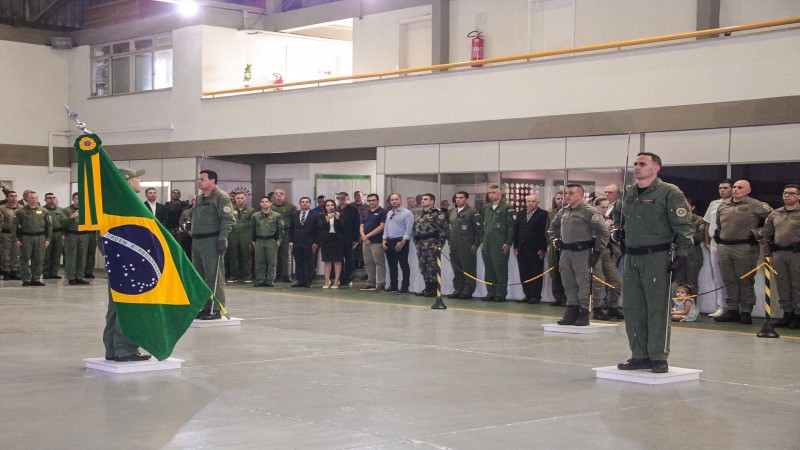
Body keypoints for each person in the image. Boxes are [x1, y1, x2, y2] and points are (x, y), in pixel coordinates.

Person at [616, 152, 693, 374]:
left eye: (642, 164)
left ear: (656, 168)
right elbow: (618, 217)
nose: (636, 167)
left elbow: (683, 225)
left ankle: (658, 356)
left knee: (657, 308)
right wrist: (616, 231)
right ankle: (639, 355)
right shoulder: (628, 193)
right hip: (631, 257)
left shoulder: (670, 192)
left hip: (656, 256)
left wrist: (682, 254)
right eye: (635, 164)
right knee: (633, 308)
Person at [103, 167, 150, 361]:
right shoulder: (129, 203)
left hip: (118, 259)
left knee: (116, 305)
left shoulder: (112, 202)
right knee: (130, 304)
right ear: (127, 181)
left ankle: (112, 349)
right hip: (128, 259)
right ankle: (125, 348)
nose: (139, 181)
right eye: (136, 178)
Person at [547, 184, 609, 325]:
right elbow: (552, 228)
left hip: (583, 252)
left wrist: (598, 251)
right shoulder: (563, 211)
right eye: (566, 193)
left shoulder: (589, 212)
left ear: (581, 194)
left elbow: (603, 233)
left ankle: (583, 313)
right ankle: (571, 312)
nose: (567, 196)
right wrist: (556, 240)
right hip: (566, 252)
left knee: (583, 283)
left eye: (571, 193)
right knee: (568, 283)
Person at [713, 180, 772, 325]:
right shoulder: (723, 205)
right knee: (729, 280)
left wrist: (759, 233)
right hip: (725, 247)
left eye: (740, 187)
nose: (735, 190)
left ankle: (746, 311)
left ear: (748, 190)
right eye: (734, 187)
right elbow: (719, 225)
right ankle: (732, 310)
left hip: (744, 247)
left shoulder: (755, 204)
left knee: (745, 280)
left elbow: (774, 218)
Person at [191, 169, 235, 320]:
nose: (199, 182)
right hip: (197, 241)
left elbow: (227, 219)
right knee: (200, 276)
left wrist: (222, 239)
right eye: (199, 179)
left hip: (212, 240)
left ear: (212, 181)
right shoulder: (199, 198)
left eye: (202, 179)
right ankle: (204, 306)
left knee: (214, 276)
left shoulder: (221, 197)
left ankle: (215, 308)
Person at [762, 184, 800, 329]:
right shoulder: (775, 214)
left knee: (797, 284)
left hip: (796, 253)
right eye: (785, 193)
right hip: (778, 253)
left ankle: (798, 314)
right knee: (782, 284)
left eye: (791, 193)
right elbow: (767, 234)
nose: (787, 196)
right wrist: (767, 253)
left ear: (798, 196)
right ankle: (787, 313)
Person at [703, 179, 733, 317]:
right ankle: (722, 305)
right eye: (720, 188)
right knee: (718, 276)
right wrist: (707, 242)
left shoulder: (736, 204)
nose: (722, 190)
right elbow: (708, 223)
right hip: (715, 243)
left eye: (725, 188)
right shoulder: (714, 204)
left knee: (732, 275)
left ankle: (735, 306)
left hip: (731, 243)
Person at [481, 184, 516, 302]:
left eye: (494, 192)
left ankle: (500, 294)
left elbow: (511, 227)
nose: (491, 195)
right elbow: (483, 226)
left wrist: (508, 242)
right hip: (487, 243)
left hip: (500, 243)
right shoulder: (486, 208)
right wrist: (482, 241)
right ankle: (491, 292)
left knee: (499, 268)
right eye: (489, 193)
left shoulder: (507, 208)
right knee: (489, 268)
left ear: (500, 194)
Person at [591, 197, 624, 320]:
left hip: (606, 251)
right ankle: (597, 309)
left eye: (606, 207)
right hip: (595, 252)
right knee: (597, 282)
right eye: (602, 207)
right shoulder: (591, 218)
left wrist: (615, 233)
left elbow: (610, 238)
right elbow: (592, 234)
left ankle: (612, 307)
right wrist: (605, 226)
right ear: (596, 206)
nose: (604, 209)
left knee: (616, 281)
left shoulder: (606, 219)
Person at [513, 194, 549, 304]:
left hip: (536, 249)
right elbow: (516, 231)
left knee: (535, 272)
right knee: (524, 272)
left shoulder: (543, 214)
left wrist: (543, 248)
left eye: (533, 201)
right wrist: (516, 246)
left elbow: (545, 232)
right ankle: (527, 294)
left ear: (538, 202)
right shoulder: (521, 214)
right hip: (522, 248)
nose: (530, 203)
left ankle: (535, 296)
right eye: (528, 201)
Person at [12, 191, 51, 286]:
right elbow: (14, 226)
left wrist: (48, 239)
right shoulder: (20, 211)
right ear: (27, 199)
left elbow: (49, 226)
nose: (33, 200)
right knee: (24, 259)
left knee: (39, 259)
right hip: (26, 237)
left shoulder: (44, 211)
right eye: (31, 198)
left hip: (40, 237)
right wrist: (16, 239)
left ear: (38, 199)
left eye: (35, 198)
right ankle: (25, 279)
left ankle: (35, 279)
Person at [447, 191, 482, 300]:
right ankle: (458, 289)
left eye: (461, 198)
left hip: (467, 246)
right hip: (454, 245)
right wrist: (449, 241)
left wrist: (476, 244)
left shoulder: (472, 212)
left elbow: (479, 230)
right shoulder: (452, 212)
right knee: (456, 269)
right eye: (456, 197)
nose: (458, 200)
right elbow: (449, 228)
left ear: (466, 199)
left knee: (468, 268)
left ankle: (468, 291)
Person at [412, 193, 448, 297]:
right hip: (421, 245)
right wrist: (416, 240)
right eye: (422, 199)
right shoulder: (419, 213)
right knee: (423, 267)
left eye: (426, 199)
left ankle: (434, 289)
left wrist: (440, 244)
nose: (423, 201)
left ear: (432, 201)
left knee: (432, 267)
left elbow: (443, 230)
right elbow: (415, 228)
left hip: (432, 244)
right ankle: (427, 288)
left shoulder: (438, 213)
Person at [383, 193, 414, 293]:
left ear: (401, 201)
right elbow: (386, 227)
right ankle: (393, 285)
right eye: (392, 200)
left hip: (401, 241)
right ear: (389, 202)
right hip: (389, 240)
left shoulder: (407, 213)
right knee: (391, 265)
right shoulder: (389, 213)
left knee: (403, 264)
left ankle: (405, 286)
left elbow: (409, 229)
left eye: (396, 199)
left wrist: (402, 242)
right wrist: (384, 239)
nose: (394, 201)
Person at [251, 196, 284, 287]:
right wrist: (253, 240)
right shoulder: (255, 216)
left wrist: (279, 240)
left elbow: (280, 229)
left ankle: (270, 280)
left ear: (270, 203)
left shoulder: (276, 215)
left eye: (266, 201)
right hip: (259, 240)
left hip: (271, 240)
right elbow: (252, 229)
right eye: (262, 201)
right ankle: (260, 279)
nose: (264, 203)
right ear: (260, 204)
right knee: (259, 261)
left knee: (272, 261)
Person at [674, 197, 705, 292]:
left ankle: (691, 306)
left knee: (691, 281)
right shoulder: (675, 220)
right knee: (679, 281)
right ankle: (679, 306)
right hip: (679, 250)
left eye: (686, 206)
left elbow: (700, 237)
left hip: (693, 251)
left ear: (692, 207)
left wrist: (684, 234)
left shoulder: (699, 220)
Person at [288, 197, 319, 288]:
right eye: (302, 202)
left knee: (309, 262)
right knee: (298, 262)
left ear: (310, 204)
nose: (304, 203)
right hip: (297, 242)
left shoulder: (315, 215)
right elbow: (291, 229)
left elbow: (318, 230)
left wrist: (316, 242)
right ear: (300, 203)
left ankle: (308, 281)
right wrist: (290, 241)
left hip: (310, 242)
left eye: (307, 202)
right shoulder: (294, 214)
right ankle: (300, 280)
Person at [61, 192, 92, 285]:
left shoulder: (87, 210)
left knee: (82, 257)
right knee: (71, 256)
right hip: (71, 235)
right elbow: (62, 223)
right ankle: (70, 277)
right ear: (73, 199)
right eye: (77, 198)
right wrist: (72, 217)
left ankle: (80, 276)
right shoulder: (66, 210)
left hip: (84, 235)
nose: (79, 201)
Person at [359, 193, 387, 291]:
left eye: (373, 200)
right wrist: (363, 236)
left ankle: (381, 283)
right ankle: (371, 282)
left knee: (379, 262)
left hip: (377, 241)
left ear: (378, 201)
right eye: (369, 200)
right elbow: (361, 225)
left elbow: (382, 226)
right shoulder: (366, 213)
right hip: (366, 242)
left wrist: (368, 235)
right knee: (368, 262)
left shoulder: (383, 212)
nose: (371, 202)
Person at [270, 188, 297, 283]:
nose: (279, 195)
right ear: (273, 195)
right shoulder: (269, 206)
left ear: (284, 196)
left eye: (281, 193)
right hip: (273, 233)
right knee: (273, 255)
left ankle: (287, 275)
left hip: (286, 232)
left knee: (286, 254)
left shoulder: (291, 207)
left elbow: (295, 221)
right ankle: (274, 274)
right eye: (277, 193)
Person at [227, 192, 255, 283]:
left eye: (242, 198)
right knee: (232, 256)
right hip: (232, 235)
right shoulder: (230, 210)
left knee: (246, 256)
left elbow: (253, 225)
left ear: (245, 198)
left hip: (245, 236)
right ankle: (233, 276)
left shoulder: (251, 210)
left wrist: (252, 238)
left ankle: (247, 276)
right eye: (238, 198)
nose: (240, 200)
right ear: (234, 199)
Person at [318, 199, 345, 289]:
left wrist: (338, 218)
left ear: (335, 206)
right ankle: (326, 280)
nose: (330, 207)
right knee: (327, 261)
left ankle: (337, 280)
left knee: (337, 261)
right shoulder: (321, 216)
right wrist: (327, 220)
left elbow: (343, 228)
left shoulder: (340, 215)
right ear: (325, 207)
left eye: (332, 205)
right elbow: (320, 228)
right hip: (326, 239)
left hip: (337, 239)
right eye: (328, 205)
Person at [336, 192, 360, 287]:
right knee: (339, 259)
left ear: (348, 199)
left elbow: (357, 224)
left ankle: (348, 278)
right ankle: (340, 278)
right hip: (337, 239)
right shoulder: (335, 209)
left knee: (349, 259)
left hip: (349, 239)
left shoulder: (353, 209)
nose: (341, 199)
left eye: (344, 198)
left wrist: (357, 239)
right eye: (340, 198)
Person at [547, 191, 567, 306]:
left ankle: (566, 298)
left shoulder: (570, 212)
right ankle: (558, 297)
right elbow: (548, 229)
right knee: (554, 273)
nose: (560, 200)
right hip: (553, 245)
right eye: (558, 198)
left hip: (566, 245)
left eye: (562, 198)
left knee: (565, 272)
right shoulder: (551, 213)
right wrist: (549, 243)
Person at [42, 193, 65, 279]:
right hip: (47, 234)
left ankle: (54, 273)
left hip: (58, 233)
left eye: (53, 197)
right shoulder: (43, 210)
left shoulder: (61, 210)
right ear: (45, 200)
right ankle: (46, 273)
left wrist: (63, 234)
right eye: (49, 198)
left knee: (57, 254)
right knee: (47, 255)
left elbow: (64, 222)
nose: (52, 199)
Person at [0, 190, 21, 280]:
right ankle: (6, 272)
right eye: (11, 196)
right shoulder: (2, 208)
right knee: (6, 253)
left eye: (15, 196)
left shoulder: (21, 208)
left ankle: (13, 271)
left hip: (17, 234)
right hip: (6, 233)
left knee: (15, 253)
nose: (14, 198)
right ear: (7, 198)